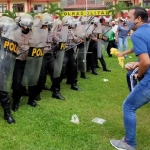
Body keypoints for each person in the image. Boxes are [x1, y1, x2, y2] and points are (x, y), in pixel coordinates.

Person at [110, 7, 150, 150]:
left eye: (129, 17)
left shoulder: (137, 34)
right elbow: (142, 49)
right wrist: (126, 55)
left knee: (128, 106)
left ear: (138, 19)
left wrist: (139, 73)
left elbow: (146, 62)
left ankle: (129, 144)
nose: (127, 20)